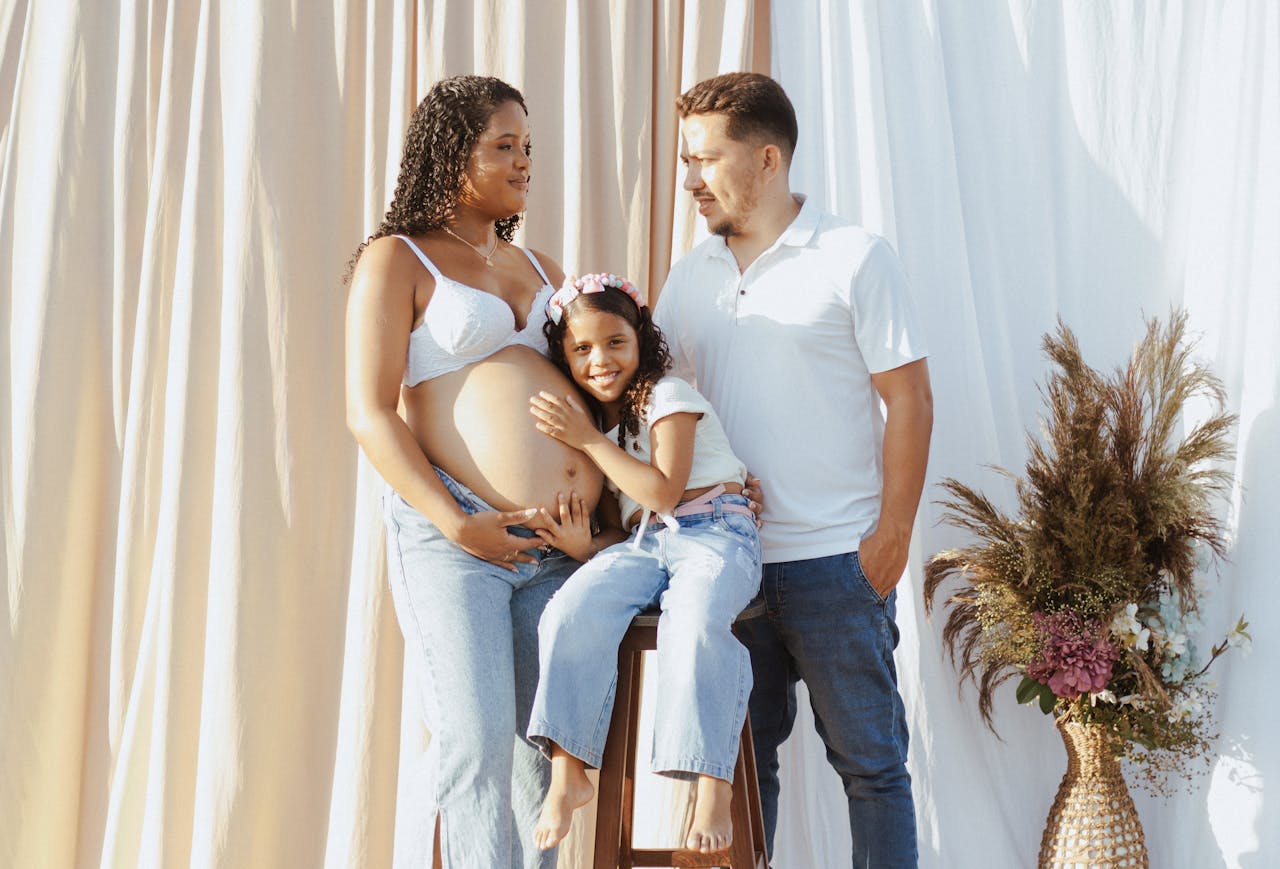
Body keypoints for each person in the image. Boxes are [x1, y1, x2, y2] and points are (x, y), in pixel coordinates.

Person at [654, 72, 933, 867]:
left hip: (840, 563)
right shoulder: (688, 275)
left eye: (706, 159)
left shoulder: (854, 256)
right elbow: (661, 401)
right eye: (685, 159)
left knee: (873, 771)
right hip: (729, 564)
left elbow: (909, 401)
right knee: (744, 774)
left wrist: (892, 536)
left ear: (768, 159)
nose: (691, 179)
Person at [345, 75, 602, 869]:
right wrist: (457, 522)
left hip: (554, 543)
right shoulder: (398, 259)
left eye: (528, 146)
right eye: (504, 146)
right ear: (452, 154)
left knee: (538, 748)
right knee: (475, 742)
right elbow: (369, 411)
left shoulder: (540, 262)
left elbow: (606, 383)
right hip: (453, 534)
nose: (524, 161)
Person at [521, 273, 763, 854]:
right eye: (581, 349)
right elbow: (631, 524)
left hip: (716, 531)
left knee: (695, 622)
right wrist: (584, 549)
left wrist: (586, 439)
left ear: (641, 340)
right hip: (645, 545)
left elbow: (661, 493)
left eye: (614, 342)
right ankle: (568, 769)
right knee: (568, 611)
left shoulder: (669, 396)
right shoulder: (607, 424)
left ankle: (712, 785)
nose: (599, 359)